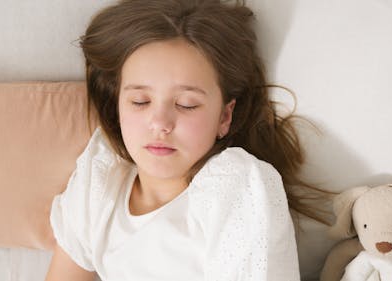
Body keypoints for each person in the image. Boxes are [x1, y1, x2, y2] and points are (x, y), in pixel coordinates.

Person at [46, 0, 325, 280]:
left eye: (187, 104)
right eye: (140, 101)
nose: (160, 124)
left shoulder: (235, 186)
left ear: (224, 116)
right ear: (117, 104)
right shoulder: (102, 174)